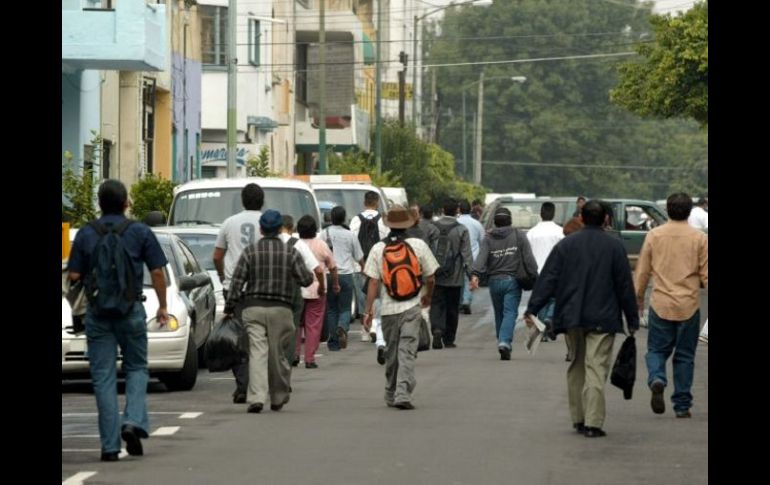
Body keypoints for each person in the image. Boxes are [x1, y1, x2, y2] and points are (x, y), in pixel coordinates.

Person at [68, 179, 169, 462]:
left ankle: (109, 446)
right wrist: (162, 306)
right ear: (126, 203)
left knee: (103, 378)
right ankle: (133, 420)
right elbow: (158, 272)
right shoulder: (139, 231)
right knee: (137, 367)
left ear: (99, 203)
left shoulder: (87, 233)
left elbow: (74, 277)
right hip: (131, 310)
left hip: (98, 314)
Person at [524, 200, 639, 438]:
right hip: (604, 317)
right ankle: (593, 422)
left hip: (573, 315)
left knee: (576, 365)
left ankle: (578, 418)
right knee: (596, 367)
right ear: (606, 219)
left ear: (582, 219)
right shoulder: (615, 247)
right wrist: (632, 318)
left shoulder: (567, 245)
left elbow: (548, 279)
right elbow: (625, 286)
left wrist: (533, 308)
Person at [224, 210, 315, 413]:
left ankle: (256, 397)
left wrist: (230, 307)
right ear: (280, 229)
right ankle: (278, 396)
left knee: (257, 352)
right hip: (282, 310)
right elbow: (307, 279)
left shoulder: (250, 252)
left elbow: (236, 283)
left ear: (261, 229)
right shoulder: (291, 252)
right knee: (278, 353)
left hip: (253, 308)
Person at [634, 193, 708, 418]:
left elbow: (643, 271)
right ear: (689, 211)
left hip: (660, 303)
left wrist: (637, 300)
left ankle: (657, 377)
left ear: (667, 210)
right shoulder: (700, 238)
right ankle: (682, 406)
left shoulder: (654, 235)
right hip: (689, 305)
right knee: (685, 356)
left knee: (656, 349)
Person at [363, 205, 439, 409]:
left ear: (388, 225)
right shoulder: (419, 246)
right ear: (408, 223)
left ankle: (390, 391)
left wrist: (368, 310)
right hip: (413, 306)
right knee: (407, 350)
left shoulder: (379, 248)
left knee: (392, 352)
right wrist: (427, 297)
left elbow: (372, 282)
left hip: (387, 310)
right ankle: (403, 392)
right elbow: (431, 277)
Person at [213, 183, 264, 404]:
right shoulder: (267, 223)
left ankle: (242, 384)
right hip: (261, 288)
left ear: (242, 201)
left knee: (237, 337)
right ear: (262, 201)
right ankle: (257, 383)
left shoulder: (229, 222)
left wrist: (225, 276)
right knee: (259, 337)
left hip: (234, 288)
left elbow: (217, 255)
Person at [470, 207, 538, 360]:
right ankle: (505, 342)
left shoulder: (488, 238)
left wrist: (475, 274)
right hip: (512, 281)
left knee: (500, 313)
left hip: (494, 282)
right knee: (510, 313)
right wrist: (535, 276)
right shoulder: (519, 235)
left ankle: (502, 340)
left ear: (495, 222)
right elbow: (529, 259)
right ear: (510, 221)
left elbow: (481, 258)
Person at [278, 215, 324, 365]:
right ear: (292, 228)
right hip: (297, 291)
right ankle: (309, 359)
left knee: (289, 326)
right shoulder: (298, 244)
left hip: (274, 294)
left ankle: (292, 355)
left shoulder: (268, 243)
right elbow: (317, 269)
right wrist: (321, 285)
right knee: (308, 324)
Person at [430, 198, 473, 349]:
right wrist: (471, 275)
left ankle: (436, 328)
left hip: (436, 275)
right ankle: (448, 339)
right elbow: (466, 255)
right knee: (452, 307)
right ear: (457, 211)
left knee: (436, 304)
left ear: (442, 209)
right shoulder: (461, 230)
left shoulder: (432, 228)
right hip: (455, 276)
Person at [296, 215, 339, 366]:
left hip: (297, 289)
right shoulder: (321, 244)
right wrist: (335, 284)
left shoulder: (294, 244)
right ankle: (309, 358)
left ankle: (294, 355)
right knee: (313, 325)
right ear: (314, 230)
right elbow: (332, 266)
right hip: (317, 288)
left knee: (296, 324)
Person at [322, 206, 364, 349]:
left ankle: (333, 342)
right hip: (346, 275)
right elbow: (359, 256)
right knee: (345, 308)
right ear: (344, 218)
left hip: (328, 274)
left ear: (331, 218)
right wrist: (364, 268)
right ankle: (342, 326)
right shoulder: (350, 235)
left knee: (332, 309)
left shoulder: (323, 234)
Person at [350, 190, 390, 342]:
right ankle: (375, 325)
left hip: (359, 263)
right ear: (377, 203)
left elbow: (353, 242)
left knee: (363, 296)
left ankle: (364, 330)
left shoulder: (355, 220)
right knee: (378, 295)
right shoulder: (383, 220)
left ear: (364, 202)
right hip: (379, 262)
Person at [526, 202, 564, 341]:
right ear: (553, 214)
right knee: (555, 299)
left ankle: (542, 332)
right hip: (556, 271)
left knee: (541, 300)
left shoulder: (532, 233)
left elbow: (527, 254)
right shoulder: (560, 232)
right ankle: (549, 318)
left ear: (540, 214)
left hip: (537, 272)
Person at [457, 199, 484, 315]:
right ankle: (466, 301)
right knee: (469, 278)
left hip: (458, 255)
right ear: (470, 210)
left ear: (459, 210)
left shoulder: (456, 222)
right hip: (473, 256)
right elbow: (482, 240)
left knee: (459, 279)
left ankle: (460, 301)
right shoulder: (476, 224)